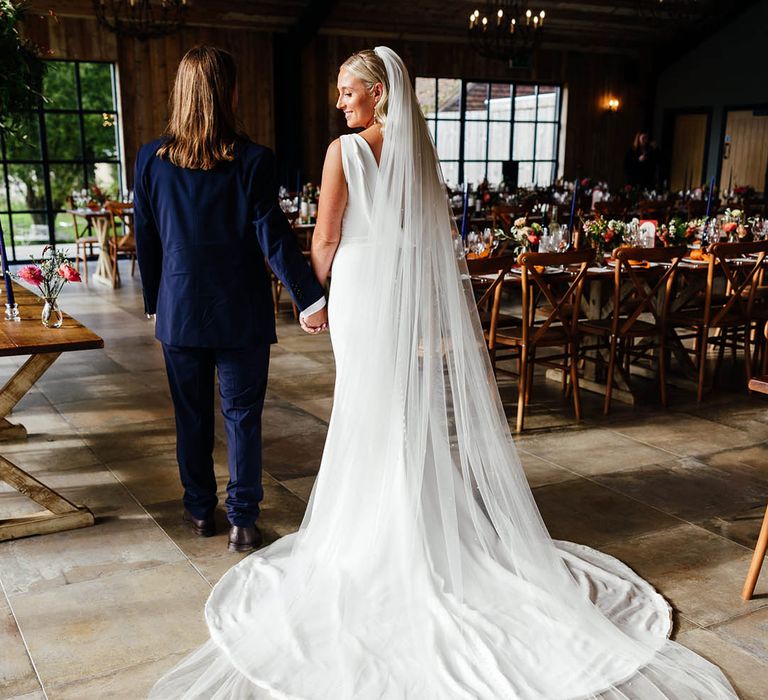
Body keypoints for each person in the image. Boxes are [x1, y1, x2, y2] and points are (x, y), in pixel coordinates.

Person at [150, 48, 736, 699]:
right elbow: (426, 230)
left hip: (362, 287)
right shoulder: (420, 150)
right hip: (402, 285)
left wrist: (318, 289)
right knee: (400, 406)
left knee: (362, 408)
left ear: (375, 91)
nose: (339, 102)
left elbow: (324, 235)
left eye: (347, 91)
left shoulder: (341, 152)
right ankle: (413, 524)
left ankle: (349, 533)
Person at [134, 46, 327, 555]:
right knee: (243, 417)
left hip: (179, 313)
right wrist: (309, 298)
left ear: (181, 94)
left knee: (191, 417)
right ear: (229, 94)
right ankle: (242, 522)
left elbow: (146, 238)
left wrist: (156, 299)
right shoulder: (253, 160)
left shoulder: (150, 161)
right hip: (240, 313)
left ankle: (200, 509)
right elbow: (274, 237)